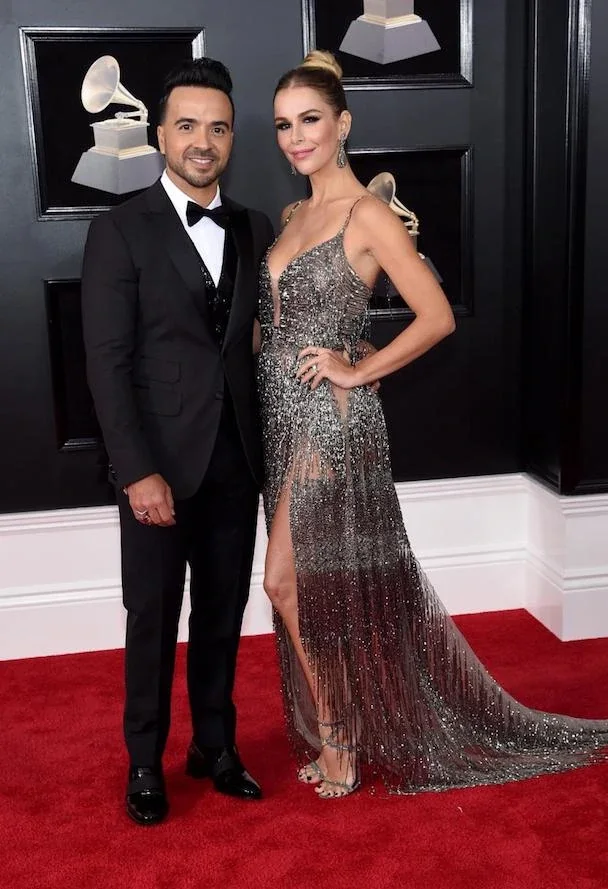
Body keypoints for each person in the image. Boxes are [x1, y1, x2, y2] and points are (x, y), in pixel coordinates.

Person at [258, 50, 608, 800]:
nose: (296, 137)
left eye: (310, 120)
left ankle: (341, 739)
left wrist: (358, 369)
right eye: (282, 125)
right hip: (280, 414)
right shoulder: (295, 216)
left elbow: (435, 316)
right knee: (305, 582)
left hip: (329, 421)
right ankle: (343, 729)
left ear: (343, 124)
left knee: (284, 579)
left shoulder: (367, 215)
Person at [82, 58, 274, 825]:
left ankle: (214, 746)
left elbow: (256, 342)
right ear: (160, 135)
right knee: (153, 618)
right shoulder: (118, 229)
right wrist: (137, 471)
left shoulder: (255, 227)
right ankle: (144, 761)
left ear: (232, 139)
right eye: (188, 125)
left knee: (223, 613)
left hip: (237, 459)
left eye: (218, 128)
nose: (203, 141)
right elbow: (106, 362)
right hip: (157, 466)